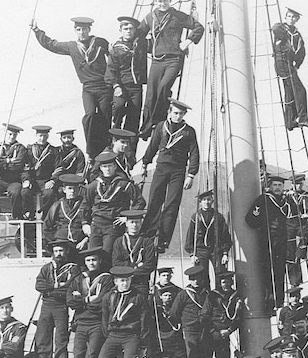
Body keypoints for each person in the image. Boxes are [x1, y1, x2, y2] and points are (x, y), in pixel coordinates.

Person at [32, 16, 112, 158]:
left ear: (89, 30)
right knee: (89, 115)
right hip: (88, 88)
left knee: (105, 116)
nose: (82, 33)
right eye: (79, 30)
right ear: (75, 30)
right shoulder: (72, 46)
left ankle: (106, 145)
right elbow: (52, 45)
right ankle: (91, 150)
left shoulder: (100, 42)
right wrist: (37, 31)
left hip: (104, 87)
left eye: (85, 30)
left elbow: (113, 57)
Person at [137, 0, 205, 137]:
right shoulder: (150, 18)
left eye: (165, 1)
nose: (163, 4)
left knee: (163, 88)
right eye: (160, 1)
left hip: (174, 59)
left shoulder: (178, 16)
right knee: (151, 93)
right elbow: (139, 35)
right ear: (156, 1)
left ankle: (158, 121)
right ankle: (146, 127)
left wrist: (187, 42)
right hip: (157, 60)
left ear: (170, 0)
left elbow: (198, 27)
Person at [141, 99, 200, 254]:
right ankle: (148, 234)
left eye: (181, 114)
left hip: (178, 171)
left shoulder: (189, 131)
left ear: (184, 114)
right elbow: (153, 145)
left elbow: (194, 153)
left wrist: (191, 174)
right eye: (175, 113)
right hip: (161, 168)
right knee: (154, 200)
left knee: (171, 204)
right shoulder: (161, 126)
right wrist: (145, 163)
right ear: (170, 112)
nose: (178, 116)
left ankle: (163, 239)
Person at [62, 247, 113, 358]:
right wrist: (87, 300)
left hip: (97, 325)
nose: (91, 263)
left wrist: (81, 301)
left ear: (99, 261)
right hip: (81, 324)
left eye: (94, 260)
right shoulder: (78, 279)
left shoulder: (106, 280)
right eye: (88, 260)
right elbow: (70, 300)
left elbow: (102, 303)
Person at [168, 264, 223, 358]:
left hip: (205, 330)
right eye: (193, 279)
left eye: (198, 278)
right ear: (190, 280)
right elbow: (173, 314)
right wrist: (184, 324)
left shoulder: (208, 294)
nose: (196, 281)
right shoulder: (184, 294)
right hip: (190, 331)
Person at [34, 238, 81, 358]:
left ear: (66, 251)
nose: (58, 254)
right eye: (56, 251)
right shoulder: (47, 268)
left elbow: (69, 288)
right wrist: (56, 286)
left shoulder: (73, 268)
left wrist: (52, 289)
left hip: (61, 307)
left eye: (61, 250)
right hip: (46, 306)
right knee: (42, 339)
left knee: (61, 341)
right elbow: (38, 285)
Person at [244, 175, 293, 308]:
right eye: (275, 185)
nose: (277, 188)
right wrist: (262, 227)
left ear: (283, 187)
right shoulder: (263, 200)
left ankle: (279, 301)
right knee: (266, 272)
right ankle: (268, 300)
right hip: (267, 241)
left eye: (280, 185)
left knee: (280, 272)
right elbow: (250, 219)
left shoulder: (287, 201)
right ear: (270, 186)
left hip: (282, 242)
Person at [82, 152, 145, 253]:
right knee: (92, 254)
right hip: (96, 225)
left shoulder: (124, 184)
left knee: (107, 253)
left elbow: (140, 201)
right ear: (101, 168)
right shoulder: (93, 186)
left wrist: (128, 218)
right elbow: (85, 205)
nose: (107, 169)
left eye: (110, 166)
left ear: (115, 166)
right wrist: (85, 223)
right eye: (104, 166)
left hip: (113, 225)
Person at [271, 7, 308, 130]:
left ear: (297, 19)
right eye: (289, 16)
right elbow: (275, 28)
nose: (291, 19)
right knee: (300, 90)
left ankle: (290, 122)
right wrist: (285, 37)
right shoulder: (281, 29)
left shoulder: (296, 34)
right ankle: (303, 119)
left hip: (290, 64)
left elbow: (302, 51)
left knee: (290, 92)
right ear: (285, 18)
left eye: (293, 17)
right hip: (282, 63)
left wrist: (297, 64)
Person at [107, 15, 148, 138]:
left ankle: (129, 147)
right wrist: (116, 86)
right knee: (118, 107)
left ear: (135, 30)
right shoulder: (116, 48)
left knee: (134, 117)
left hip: (136, 87)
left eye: (131, 28)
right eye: (125, 29)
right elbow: (111, 69)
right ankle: (115, 130)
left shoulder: (141, 44)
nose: (128, 31)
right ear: (120, 31)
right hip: (121, 86)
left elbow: (159, 44)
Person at [184, 189, 232, 288]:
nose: (207, 202)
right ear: (200, 202)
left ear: (212, 201)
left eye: (209, 199)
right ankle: (206, 299)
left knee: (220, 274)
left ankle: (220, 297)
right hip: (201, 250)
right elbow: (190, 236)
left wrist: (225, 253)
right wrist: (192, 254)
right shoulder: (195, 217)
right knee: (202, 276)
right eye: (204, 200)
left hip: (216, 249)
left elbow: (225, 236)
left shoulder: (218, 217)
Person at [0, 123, 35, 220]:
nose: (12, 137)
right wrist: (9, 161)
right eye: (10, 134)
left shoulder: (21, 148)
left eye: (14, 135)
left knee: (15, 192)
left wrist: (2, 161)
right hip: (1, 180)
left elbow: (18, 165)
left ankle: (16, 215)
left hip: (14, 181)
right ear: (5, 133)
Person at [110, 208, 158, 292]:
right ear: (127, 224)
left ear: (141, 223)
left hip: (140, 283)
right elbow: (116, 263)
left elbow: (149, 265)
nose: (134, 225)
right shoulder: (119, 241)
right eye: (132, 222)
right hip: (123, 282)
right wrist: (135, 266)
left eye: (137, 222)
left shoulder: (147, 241)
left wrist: (127, 269)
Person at [211, 271, 244, 358]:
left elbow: (238, 317)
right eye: (224, 282)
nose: (226, 285)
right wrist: (212, 331)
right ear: (220, 283)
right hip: (211, 333)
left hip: (224, 333)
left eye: (228, 282)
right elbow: (204, 316)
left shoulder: (235, 296)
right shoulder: (212, 295)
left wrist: (229, 331)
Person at [43, 173, 88, 251]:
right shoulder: (57, 205)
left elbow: (93, 226)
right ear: (64, 190)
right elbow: (47, 227)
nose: (73, 191)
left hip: (79, 244)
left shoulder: (84, 205)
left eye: (75, 188)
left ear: (79, 189)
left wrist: (85, 241)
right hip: (61, 243)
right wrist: (55, 243)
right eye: (70, 188)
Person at [285, 173, 308, 288]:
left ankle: (301, 253)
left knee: (305, 236)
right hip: (288, 224)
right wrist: (286, 196)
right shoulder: (286, 194)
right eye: (296, 184)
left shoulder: (305, 195)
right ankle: (294, 282)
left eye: (300, 184)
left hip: (300, 224)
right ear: (292, 184)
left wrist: (307, 213)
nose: (298, 186)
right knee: (290, 254)